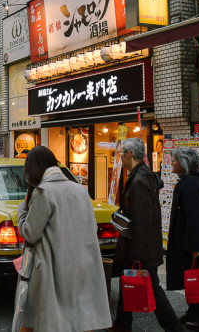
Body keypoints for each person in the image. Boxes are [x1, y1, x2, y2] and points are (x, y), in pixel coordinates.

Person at [14, 146, 112, 331]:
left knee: (52, 319)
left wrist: (22, 209)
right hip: (83, 262)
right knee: (79, 317)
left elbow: (30, 233)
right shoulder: (80, 190)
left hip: (53, 267)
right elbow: (92, 226)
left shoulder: (43, 192)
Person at [110, 138, 184, 332]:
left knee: (152, 286)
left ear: (128, 154)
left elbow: (142, 220)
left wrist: (138, 253)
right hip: (140, 244)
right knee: (129, 278)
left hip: (141, 246)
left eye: (121, 154)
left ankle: (175, 328)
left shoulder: (139, 180)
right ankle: (122, 323)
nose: (120, 158)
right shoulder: (142, 176)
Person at [166, 147, 199, 332]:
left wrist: (195, 246)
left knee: (198, 277)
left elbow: (195, 216)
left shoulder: (190, 184)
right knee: (193, 277)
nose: (171, 163)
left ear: (183, 163)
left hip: (196, 241)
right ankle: (193, 312)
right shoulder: (195, 181)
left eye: (174, 160)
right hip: (198, 238)